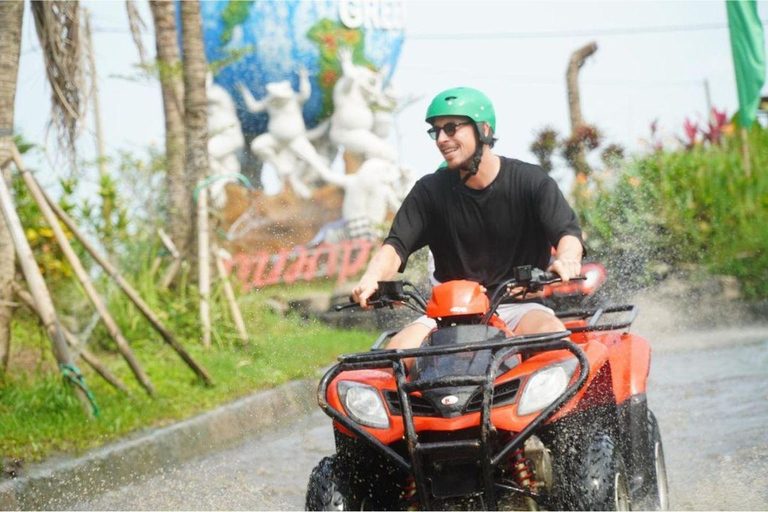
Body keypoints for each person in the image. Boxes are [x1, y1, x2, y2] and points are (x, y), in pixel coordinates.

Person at [351, 87, 585, 350]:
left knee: (555, 341)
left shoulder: (531, 181)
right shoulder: (429, 191)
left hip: (518, 308)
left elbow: (568, 234)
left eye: (451, 128)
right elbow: (395, 247)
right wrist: (372, 278)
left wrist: (567, 259)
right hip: (446, 315)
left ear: (484, 129)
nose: (441, 139)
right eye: (435, 131)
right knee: (393, 356)